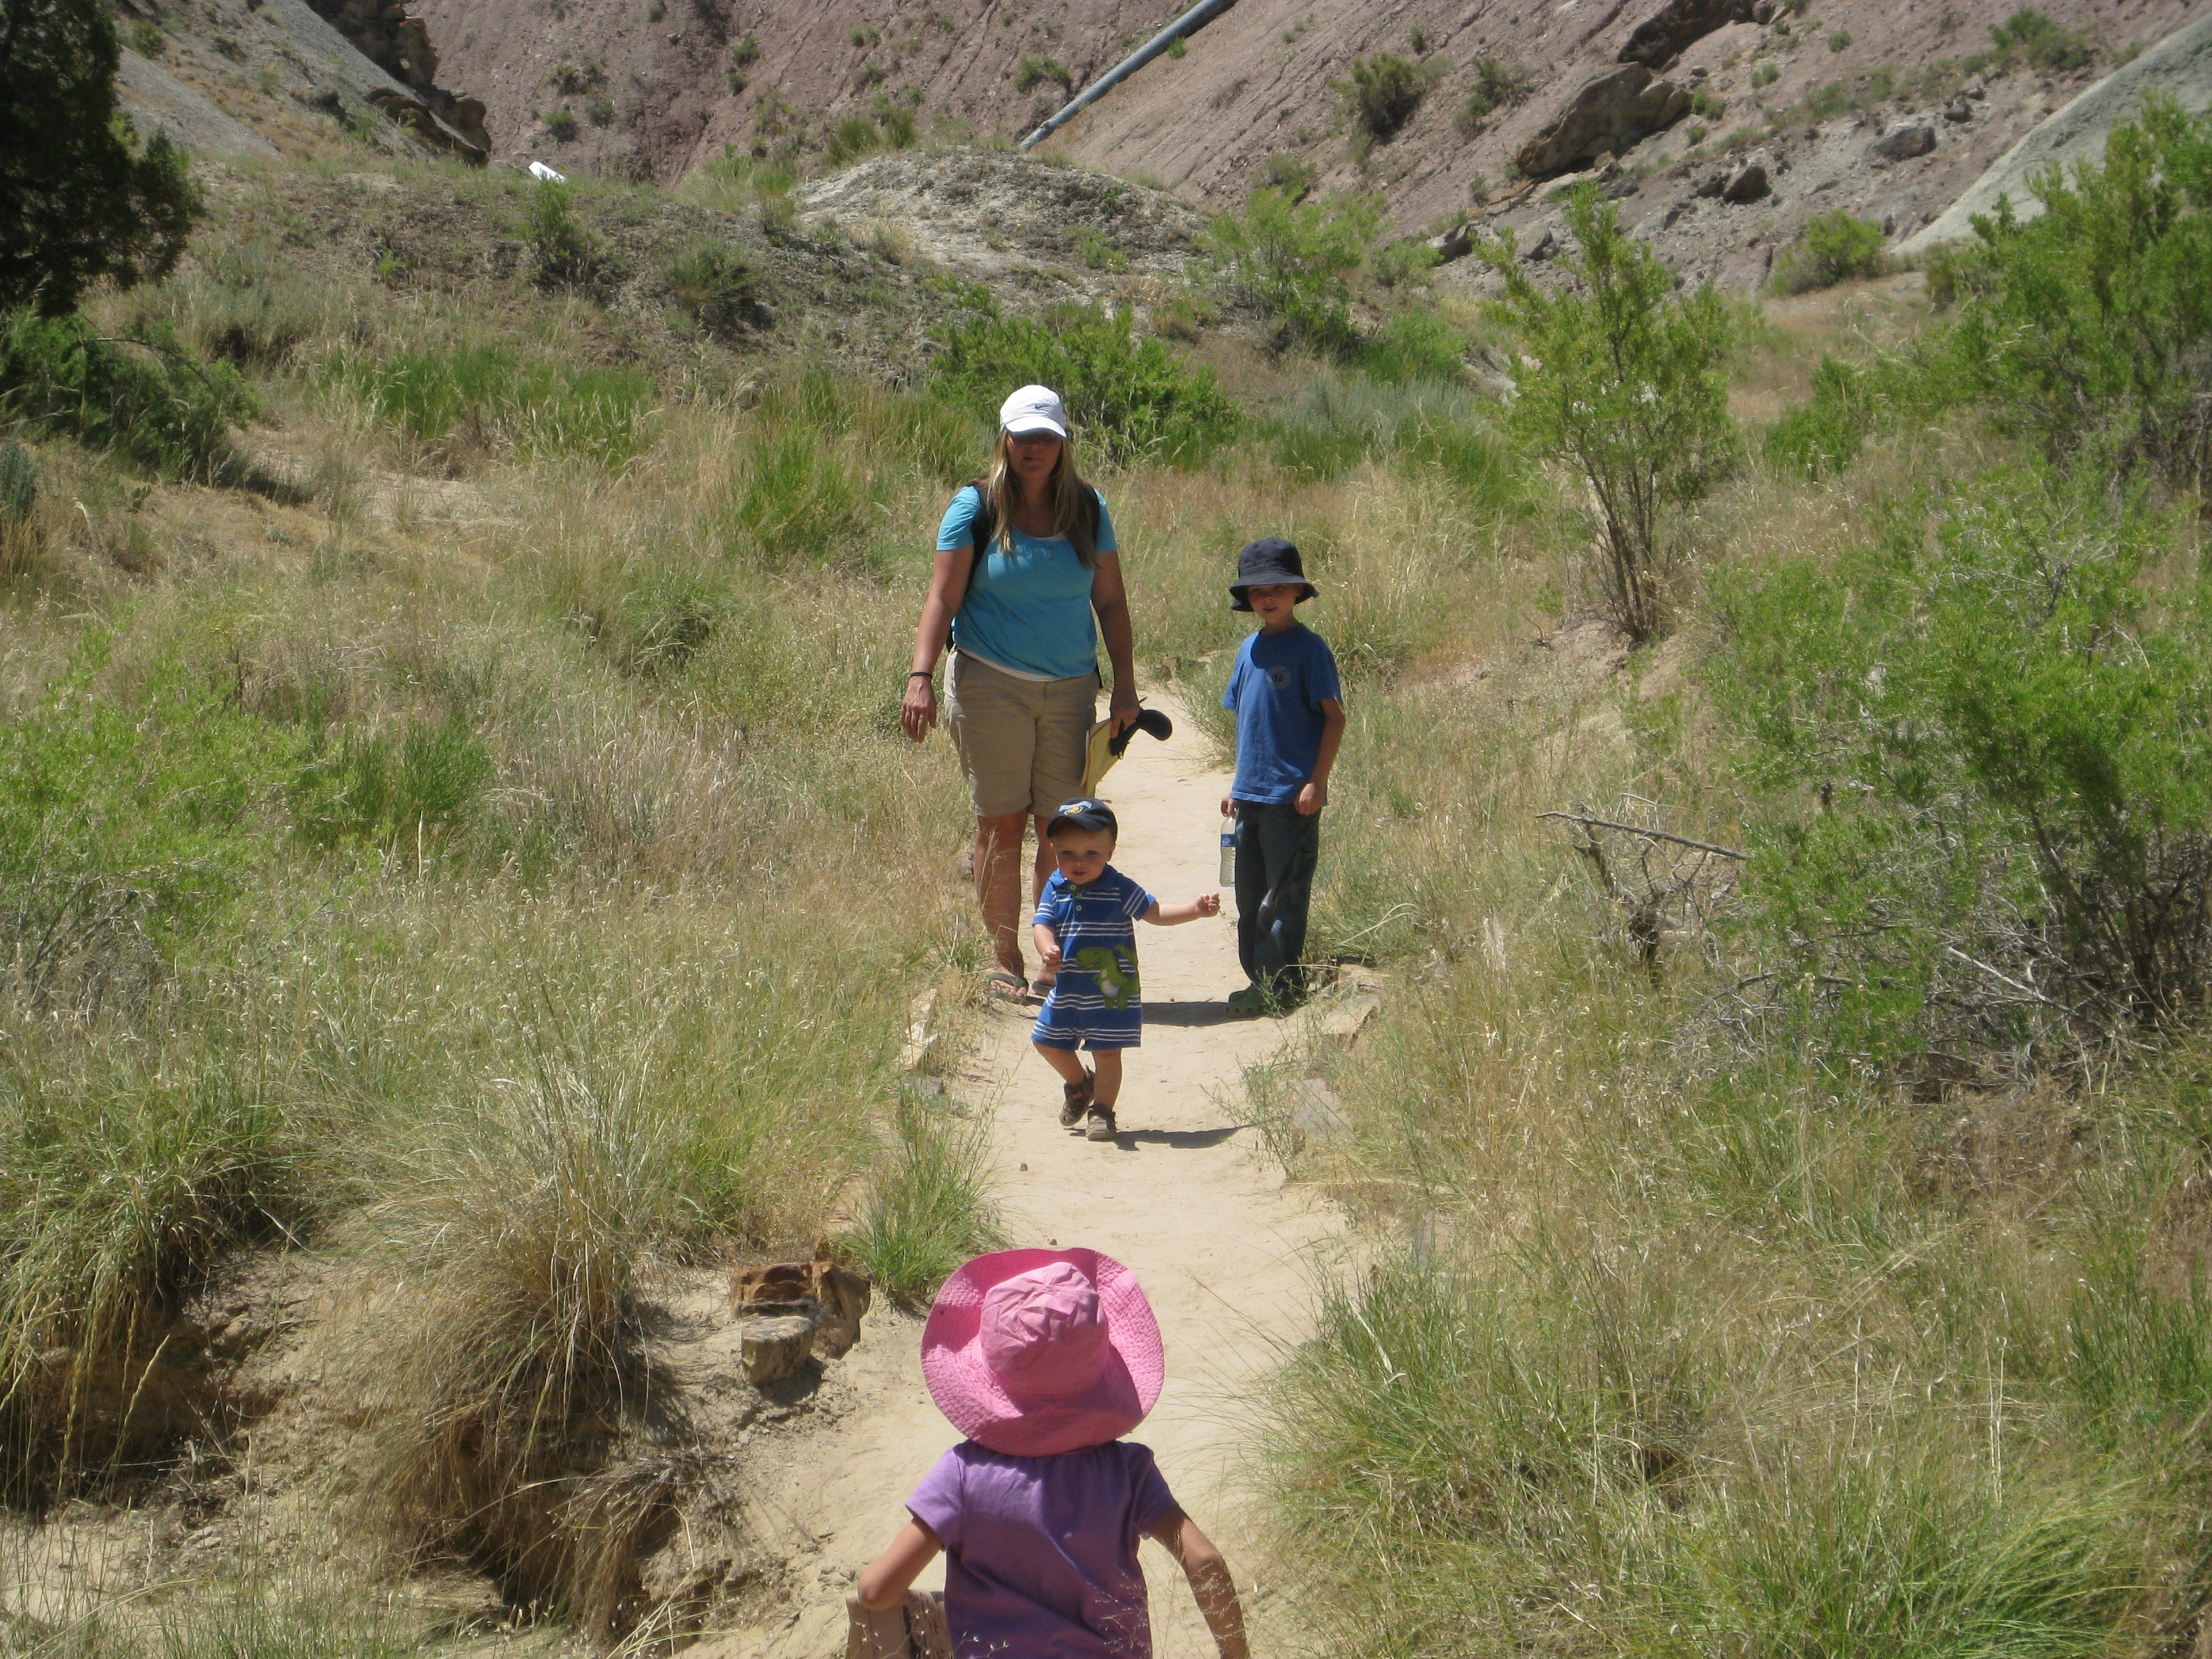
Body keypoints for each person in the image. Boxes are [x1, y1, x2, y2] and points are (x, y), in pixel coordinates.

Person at [853, 1248, 1250, 1659]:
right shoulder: (1129, 1471)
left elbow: (877, 1591)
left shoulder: (963, 1474)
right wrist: (1236, 1655)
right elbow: (1204, 1560)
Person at [901, 386, 1141, 1004]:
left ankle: (1051, 960)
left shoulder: (1089, 508)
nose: (1035, 448)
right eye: (1024, 436)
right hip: (991, 683)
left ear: (1063, 444)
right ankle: (1005, 956)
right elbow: (942, 597)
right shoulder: (975, 506)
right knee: (1000, 825)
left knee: (1061, 829)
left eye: (1047, 438)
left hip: (1068, 690)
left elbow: (1110, 600)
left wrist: (1125, 687)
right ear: (1004, 438)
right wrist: (920, 676)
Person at [1029, 798, 1218, 1143]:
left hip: (1111, 992)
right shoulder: (1055, 886)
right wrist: (1047, 949)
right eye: (1067, 854)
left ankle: (1102, 1111)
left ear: (1110, 851)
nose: (1078, 862)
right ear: (1054, 851)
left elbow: (1156, 912)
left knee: (1106, 1052)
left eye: (1091, 853)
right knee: (1046, 1042)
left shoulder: (1118, 887)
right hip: (1068, 987)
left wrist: (1194, 909)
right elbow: (1041, 925)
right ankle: (1078, 1085)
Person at [1217, 539, 1343, 1015]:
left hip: (1292, 798)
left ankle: (1282, 985)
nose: (1267, 597)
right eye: (1256, 591)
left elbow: (1335, 718)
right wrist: (1235, 785)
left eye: (1278, 587)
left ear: (1297, 592)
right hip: (1250, 794)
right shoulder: (1248, 650)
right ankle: (1259, 982)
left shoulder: (1310, 650)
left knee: (1282, 895)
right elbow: (1248, 724)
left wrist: (1316, 781)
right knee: (1248, 893)